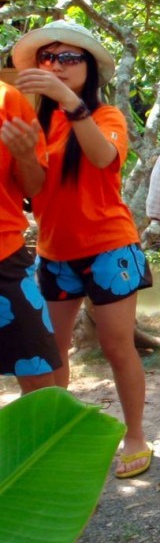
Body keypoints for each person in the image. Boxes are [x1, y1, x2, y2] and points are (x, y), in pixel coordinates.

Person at [12, 20, 153, 477]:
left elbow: (102, 158)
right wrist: (20, 151)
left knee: (117, 347)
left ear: (89, 68)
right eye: (47, 58)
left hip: (109, 249)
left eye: (68, 58)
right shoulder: (36, 123)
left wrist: (71, 104)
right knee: (53, 353)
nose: (56, 66)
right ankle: (60, 436)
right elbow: (32, 188)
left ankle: (135, 435)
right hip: (53, 253)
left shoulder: (107, 117)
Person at [0, 80, 61, 394]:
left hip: (4, 256)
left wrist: (24, 155)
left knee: (39, 378)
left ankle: (36, 444)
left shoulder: (7, 99)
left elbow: (32, 187)